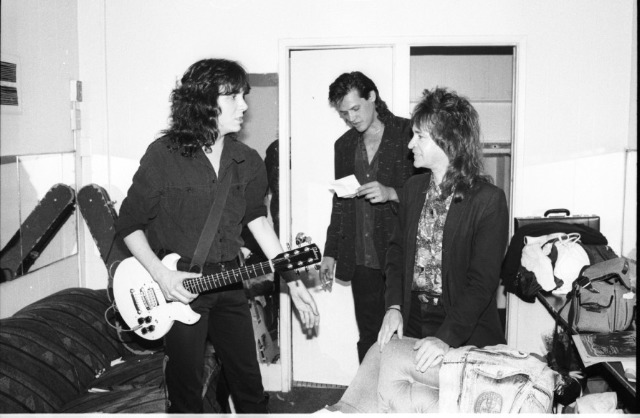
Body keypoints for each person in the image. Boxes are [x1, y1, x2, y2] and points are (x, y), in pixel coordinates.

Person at [115, 58, 319, 413]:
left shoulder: (247, 161)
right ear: (204, 101)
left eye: (244, 95)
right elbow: (129, 224)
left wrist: (294, 281)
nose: (244, 105)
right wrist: (161, 275)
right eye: (233, 96)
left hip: (229, 281)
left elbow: (259, 222)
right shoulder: (163, 156)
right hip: (179, 286)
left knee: (249, 386)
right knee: (185, 394)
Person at [378, 86, 509, 368]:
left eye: (419, 136)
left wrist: (445, 337)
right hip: (413, 317)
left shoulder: (488, 200)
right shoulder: (413, 188)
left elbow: (481, 283)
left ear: (447, 141)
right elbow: (396, 252)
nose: (410, 144)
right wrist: (394, 306)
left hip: (463, 326)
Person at [320, 71, 416, 363]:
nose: (351, 118)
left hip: (402, 255)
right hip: (361, 258)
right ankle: (369, 390)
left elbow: (428, 193)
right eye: (344, 113)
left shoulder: (409, 134)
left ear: (372, 96)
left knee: (407, 337)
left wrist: (392, 193)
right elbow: (341, 200)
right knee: (369, 338)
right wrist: (330, 252)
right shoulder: (343, 145)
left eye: (355, 108)